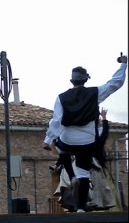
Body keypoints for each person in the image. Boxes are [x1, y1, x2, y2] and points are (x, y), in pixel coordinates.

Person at [43, 53, 127, 212]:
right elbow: (115, 83)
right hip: (87, 141)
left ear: (71, 81)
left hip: (68, 138)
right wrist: (123, 64)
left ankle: (70, 175)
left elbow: (56, 120)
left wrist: (47, 140)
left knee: (60, 147)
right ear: (85, 80)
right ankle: (81, 207)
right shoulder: (95, 93)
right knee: (84, 173)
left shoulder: (61, 97)